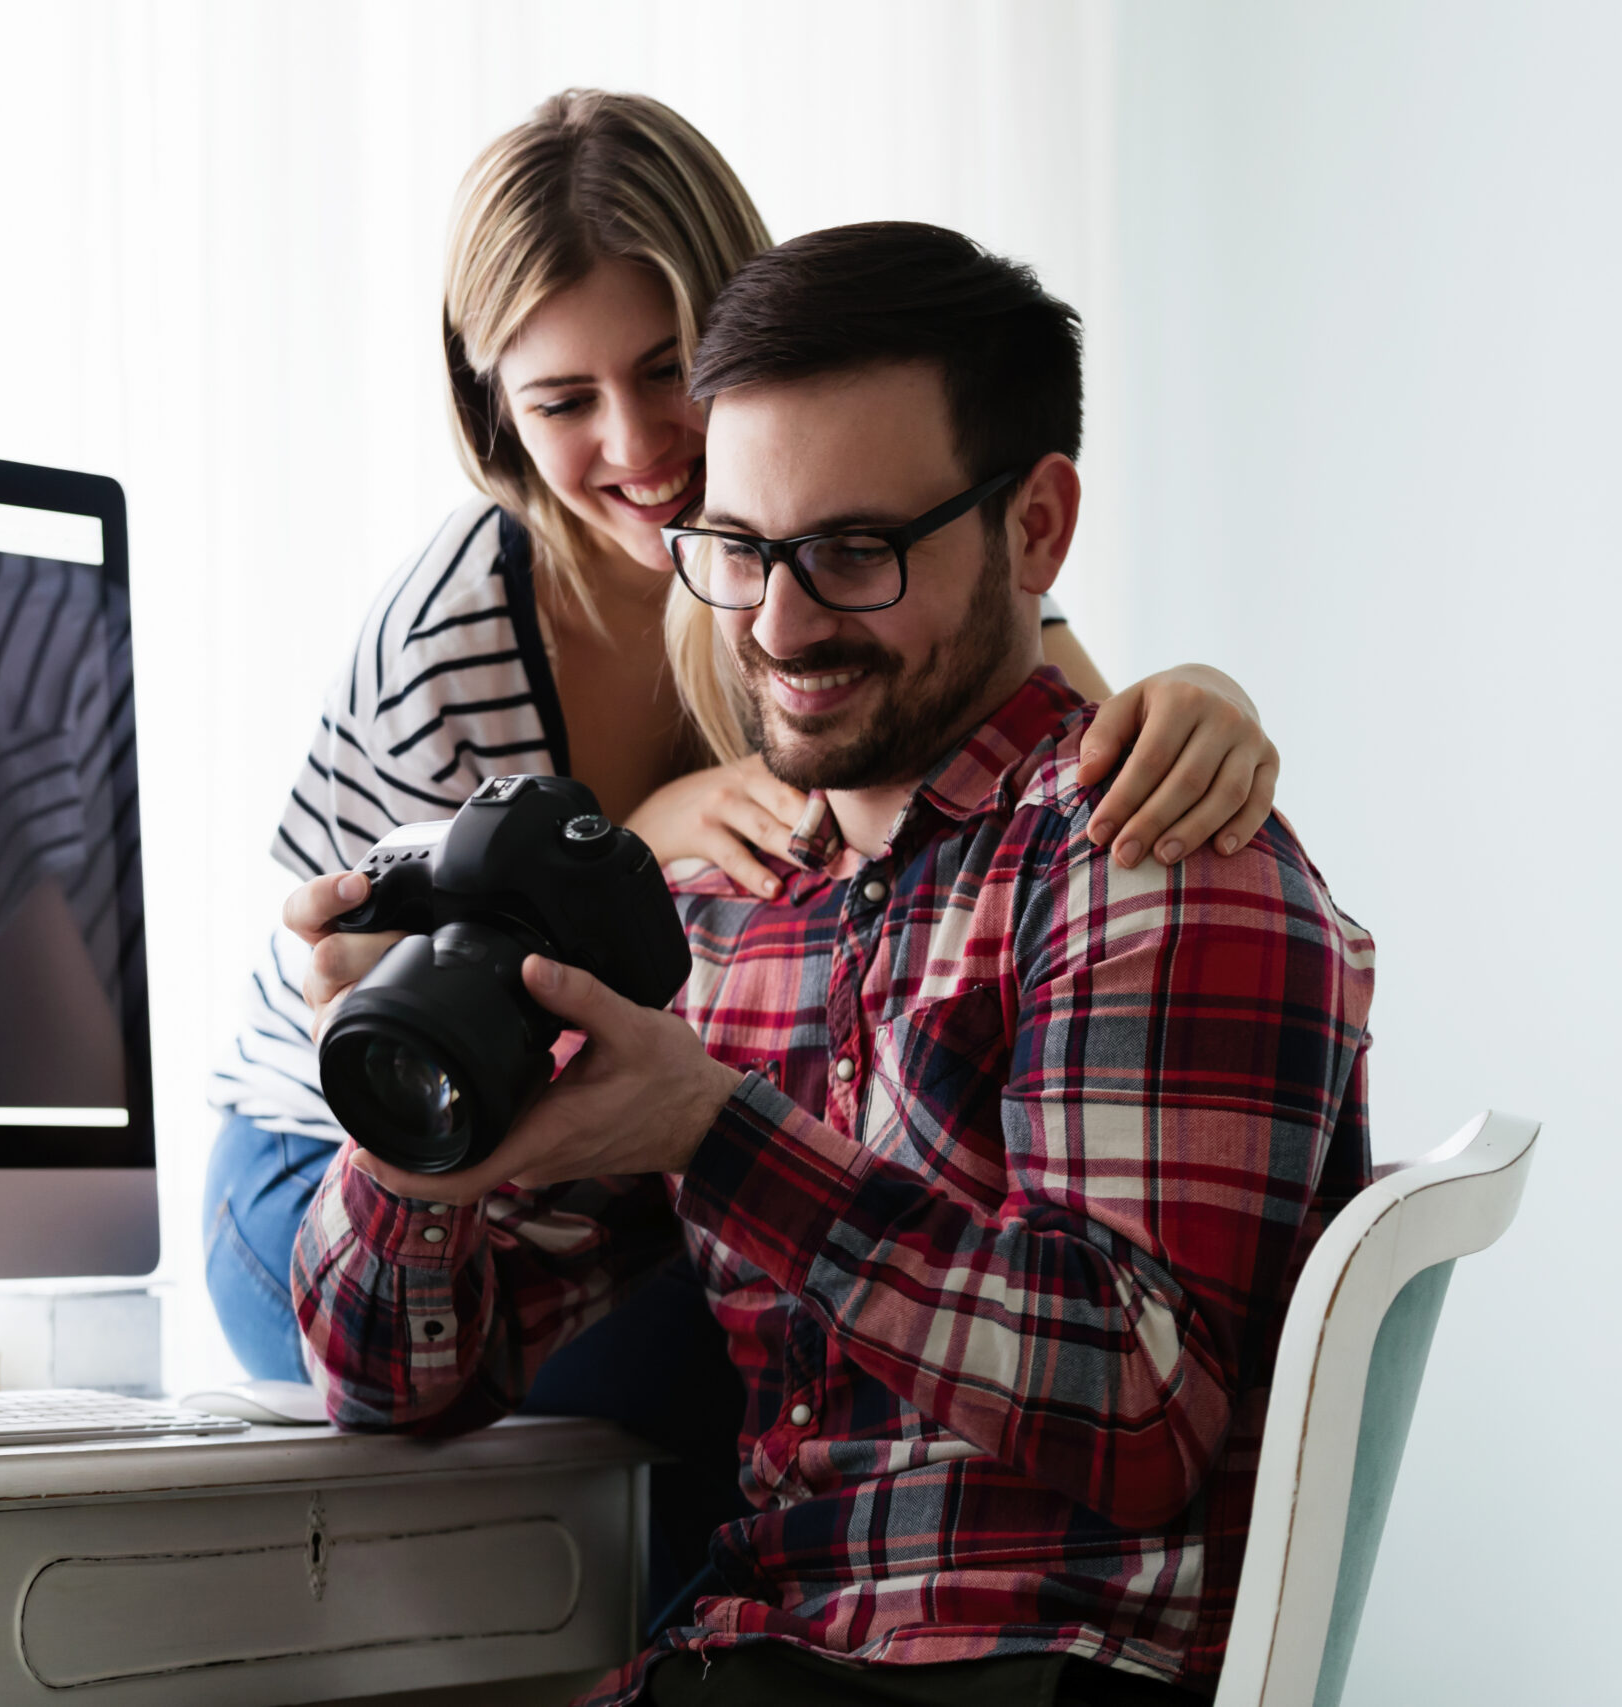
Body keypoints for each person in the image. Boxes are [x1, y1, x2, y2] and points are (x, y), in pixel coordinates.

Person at [287, 222, 1376, 1707]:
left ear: (1037, 528)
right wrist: (410, 1152)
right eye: (735, 551)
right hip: (767, 1655)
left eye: (856, 551)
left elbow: (1139, 1409)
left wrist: (711, 1132)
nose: (781, 625)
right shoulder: (730, 919)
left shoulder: (1156, 854)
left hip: (1037, 1665)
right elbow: (394, 1384)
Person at [207, 93, 1277, 1395]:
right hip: (328, 1131)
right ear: (494, 408)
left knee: (770, 1307)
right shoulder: (446, 646)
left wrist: (1207, 698)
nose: (639, 444)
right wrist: (641, 845)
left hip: (645, 1100)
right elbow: (405, 994)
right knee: (713, 1355)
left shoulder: (889, 527)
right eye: (561, 401)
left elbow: (1074, 764)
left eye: (668, 370)